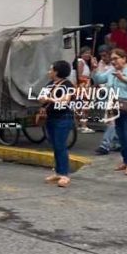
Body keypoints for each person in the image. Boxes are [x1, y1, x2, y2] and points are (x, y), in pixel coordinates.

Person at [92, 49, 127, 176]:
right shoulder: (111, 71)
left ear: (124, 58)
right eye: (112, 59)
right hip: (116, 105)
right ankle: (125, 160)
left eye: (116, 58)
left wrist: (124, 79)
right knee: (121, 134)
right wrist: (94, 69)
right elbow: (100, 79)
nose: (113, 61)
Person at [39, 60, 75, 188]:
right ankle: (58, 172)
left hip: (63, 118)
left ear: (57, 72)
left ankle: (65, 174)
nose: (49, 72)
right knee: (55, 145)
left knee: (60, 145)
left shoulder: (68, 85)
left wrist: (49, 99)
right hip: (51, 117)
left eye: (51, 70)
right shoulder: (50, 84)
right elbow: (41, 96)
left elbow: (64, 101)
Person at [92, 46, 120, 155]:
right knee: (112, 121)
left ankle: (105, 145)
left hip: (117, 97)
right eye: (102, 56)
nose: (104, 58)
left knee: (111, 121)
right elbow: (99, 79)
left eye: (105, 55)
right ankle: (118, 143)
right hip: (106, 95)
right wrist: (94, 69)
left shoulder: (125, 69)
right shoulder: (104, 66)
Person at [75, 47, 94, 133]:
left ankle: (79, 124)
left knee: (81, 106)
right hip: (83, 87)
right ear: (81, 53)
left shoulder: (85, 63)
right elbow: (79, 76)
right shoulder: (81, 62)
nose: (88, 55)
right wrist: (87, 80)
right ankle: (83, 125)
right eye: (86, 52)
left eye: (89, 53)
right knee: (84, 106)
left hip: (84, 86)